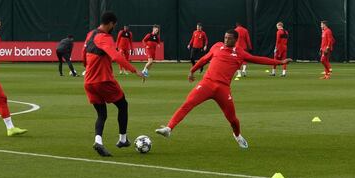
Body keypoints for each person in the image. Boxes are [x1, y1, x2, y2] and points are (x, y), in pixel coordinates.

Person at [155, 29, 291, 148]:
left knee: (233, 119)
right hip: (206, 84)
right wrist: (192, 70)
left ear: (235, 40)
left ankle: (237, 136)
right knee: (187, 104)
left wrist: (279, 62)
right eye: (225, 37)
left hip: (223, 89)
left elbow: (258, 59)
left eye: (229, 38)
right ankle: (169, 128)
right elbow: (204, 59)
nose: (226, 40)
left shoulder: (240, 53)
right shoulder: (217, 47)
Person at [83, 11, 145, 157]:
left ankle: (98, 142)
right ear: (110, 24)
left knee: (102, 114)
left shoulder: (90, 34)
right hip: (103, 80)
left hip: (89, 82)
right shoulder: (105, 37)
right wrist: (134, 70)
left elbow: (83, 53)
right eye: (114, 25)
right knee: (123, 105)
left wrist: (86, 67)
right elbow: (116, 56)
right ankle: (123, 139)